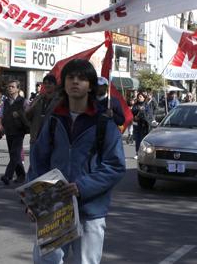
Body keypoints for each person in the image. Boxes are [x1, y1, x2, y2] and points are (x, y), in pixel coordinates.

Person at [30, 59, 126, 264]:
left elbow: (115, 166)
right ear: (63, 84)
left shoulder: (104, 123)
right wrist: (34, 201)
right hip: (56, 207)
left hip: (90, 210)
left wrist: (82, 187)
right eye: (70, 77)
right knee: (46, 261)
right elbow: (39, 161)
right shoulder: (55, 120)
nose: (75, 82)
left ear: (90, 85)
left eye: (82, 78)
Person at [0, 80, 30, 185]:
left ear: (18, 89)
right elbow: (1, 115)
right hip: (9, 130)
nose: (10, 88)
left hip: (19, 131)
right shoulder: (6, 102)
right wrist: (1, 126)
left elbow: (29, 114)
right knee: (14, 154)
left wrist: (21, 115)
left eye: (12, 87)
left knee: (15, 154)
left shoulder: (24, 101)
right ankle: (21, 175)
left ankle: (7, 175)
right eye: (9, 87)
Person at [132, 92, 152, 159]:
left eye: (141, 96)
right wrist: (135, 116)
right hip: (137, 125)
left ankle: (145, 153)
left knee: (144, 140)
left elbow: (149, 114)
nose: (139, 98)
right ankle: (137, 153)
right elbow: (132, 112)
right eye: (138, 97)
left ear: (144, 98)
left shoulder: (146, 105)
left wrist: (143, 113)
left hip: (144, 125)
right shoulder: (135, 104)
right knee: (138, 139)